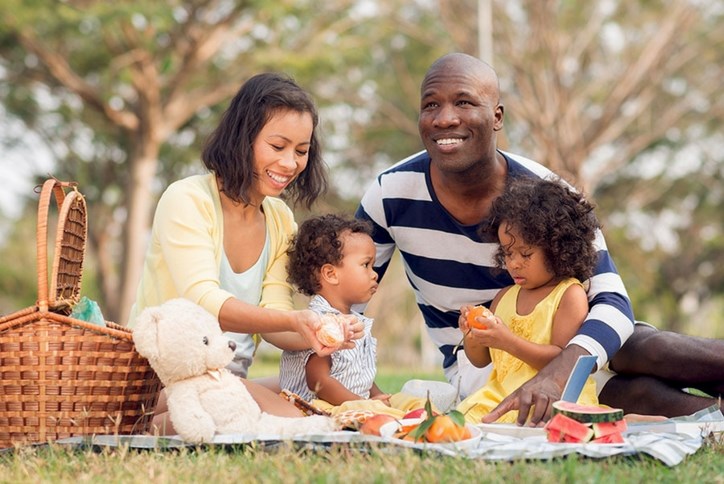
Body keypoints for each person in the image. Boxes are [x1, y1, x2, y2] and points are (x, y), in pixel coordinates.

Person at [355, 52, 724, 425]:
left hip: (567, 341)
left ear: (497, 116)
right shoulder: (390, 194)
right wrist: (355, 388)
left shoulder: (545, 192)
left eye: (464, 102)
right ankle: (706, 416)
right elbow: (343, 299)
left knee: (648, 348)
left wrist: (560, 372)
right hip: (483, 366)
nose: (445, 118)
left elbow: (613, 301)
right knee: (630, 394)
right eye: (430, 105)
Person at [129, 72, 362, 424]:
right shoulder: (188, 199)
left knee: (317, 387)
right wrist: (294, 320)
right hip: (161, 384)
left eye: (301, 151)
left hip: (226, 381)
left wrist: (319, 328)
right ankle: (143, 427)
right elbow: (205, 301)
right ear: (243, 138)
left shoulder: (280, 219)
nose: (290, 164)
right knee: (297, 420)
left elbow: (275, 321)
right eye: (277, 146)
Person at [456, 177, 600, 423]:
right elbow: (482, 360)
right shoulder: (504, 297)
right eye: (507, 252)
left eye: (526, 254)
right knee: (461, 420)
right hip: (502, 393)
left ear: (558, 248)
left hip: (555, 395)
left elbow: (563, 360)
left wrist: (508, 341)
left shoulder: (568, 295)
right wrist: (473, 337)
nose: (513, 263)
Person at [279, 214, 432, 417]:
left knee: (407, 402)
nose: (374, 273)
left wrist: (379, 396)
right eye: (366, 265)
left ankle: (422, 415)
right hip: (315, 407)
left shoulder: (352, 319)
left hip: (348, 403)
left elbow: (359, 374)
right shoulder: (322, 322)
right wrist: (363, 404)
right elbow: (319, 382)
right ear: (331, 274)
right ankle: (406, 422)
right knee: (383, 414)